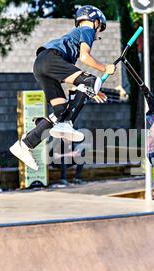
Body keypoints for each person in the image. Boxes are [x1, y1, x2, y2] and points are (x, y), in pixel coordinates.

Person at [9, 5, 116, 171]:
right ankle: (67, 123)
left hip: (40, 65)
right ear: (95, 22)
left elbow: (76, 80)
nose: (97, 36)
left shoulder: (74, 34)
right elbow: (84, 56)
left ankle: (25, 144)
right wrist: (104, 68)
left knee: (61, 111)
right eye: (99, 30)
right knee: (91, 82)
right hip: (51, 59)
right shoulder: (87, 29)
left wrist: (91, 88)